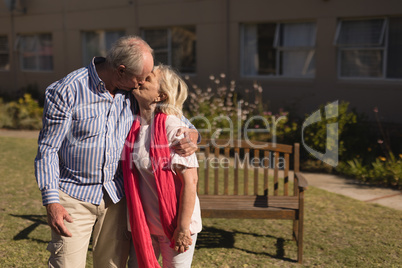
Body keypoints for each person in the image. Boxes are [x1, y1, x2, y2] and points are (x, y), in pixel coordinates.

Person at [34, 35, 198, 268]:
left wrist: (193, 137)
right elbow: (48, 149)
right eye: (140, 79)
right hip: (73, 197)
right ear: (121, 71)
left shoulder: (132, 91)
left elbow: (178, 120)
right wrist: (51, 201)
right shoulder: (67, 91)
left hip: (116, 197)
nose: (142, 83)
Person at [122, 64, 202, 268]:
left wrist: (183, 229)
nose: (139, 81)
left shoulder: (172, 127)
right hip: (146, 224)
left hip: (175, 224)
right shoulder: (136, 125)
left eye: (147, 79)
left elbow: (190, 182)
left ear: (161, 96)